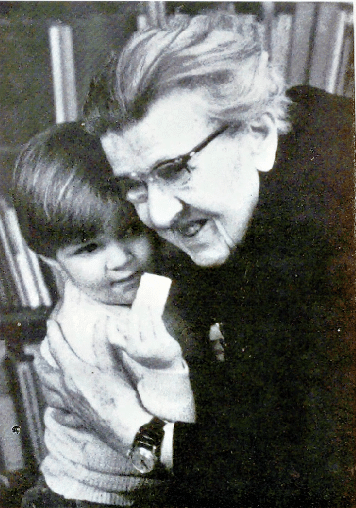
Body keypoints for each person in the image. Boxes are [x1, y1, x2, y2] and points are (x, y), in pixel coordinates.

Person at [75, 12, 355, 507]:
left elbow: (306, 484)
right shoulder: (229, 197)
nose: (158, 216)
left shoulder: (334, 246)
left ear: (260, 134)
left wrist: (127, 426)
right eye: (134, 186)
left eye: (177, 169)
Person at [11, 122, 196, 508]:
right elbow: (175, 433)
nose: (121, 259)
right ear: (52, 262)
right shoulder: (101, 328)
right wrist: (165, 366)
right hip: (98, 498)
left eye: (130, 230)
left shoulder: (113, 291)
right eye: (90, 247)